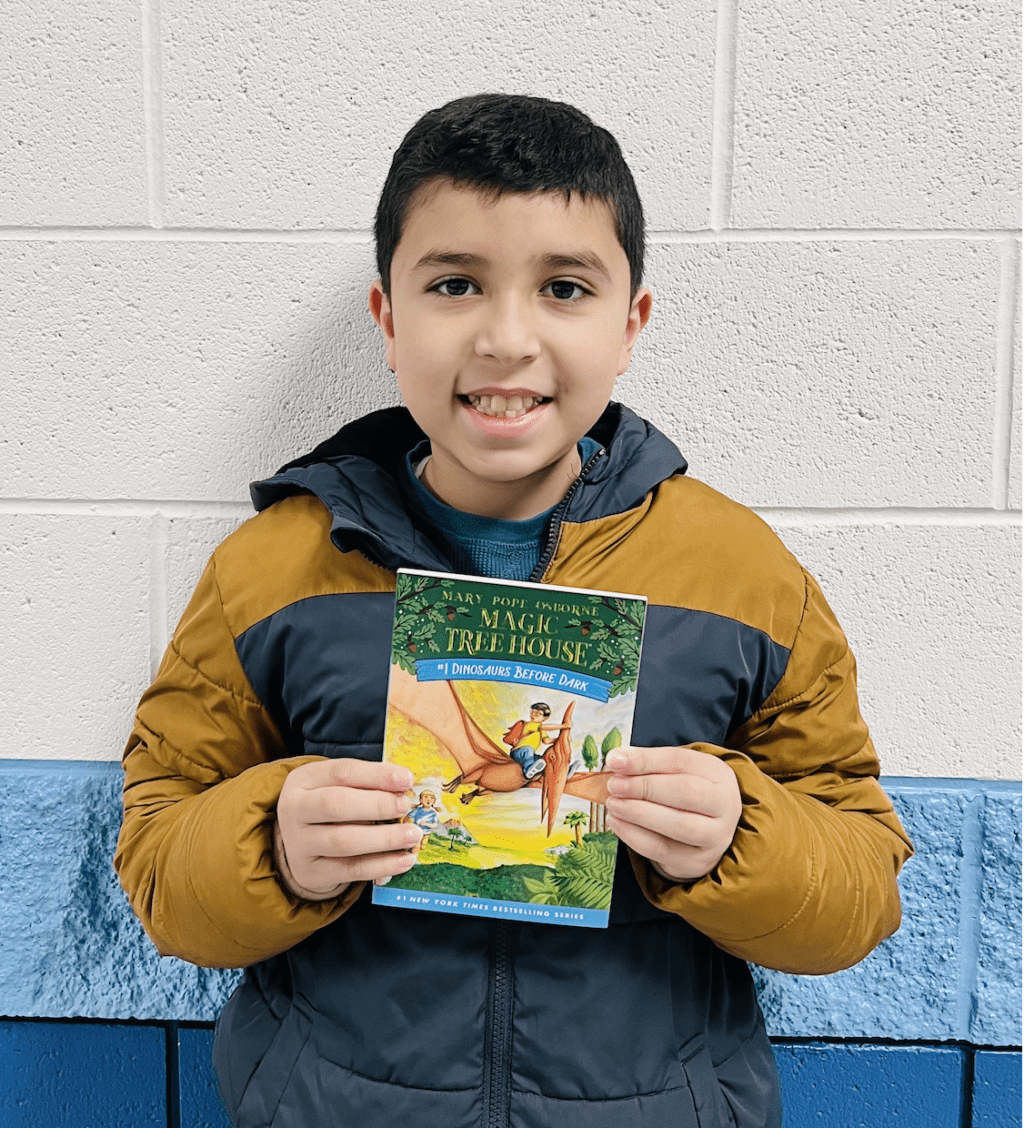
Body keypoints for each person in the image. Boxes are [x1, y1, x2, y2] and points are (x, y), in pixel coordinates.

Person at [115, 94, 913, 1128]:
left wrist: (740, 836)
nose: (505, 338)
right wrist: (268, 841)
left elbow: (859, 891)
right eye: (454, 284)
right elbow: (157, 854)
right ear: (388, 318)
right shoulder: (273, 570)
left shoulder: (741, 576)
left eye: (563, 288)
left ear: (629, 325)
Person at [505, 702, 571, 779]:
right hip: (519, 752)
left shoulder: (540, 730)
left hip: (530, 755)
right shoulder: (530, 724)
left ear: (545, 718)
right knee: (528, 750)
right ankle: (528, 770)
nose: (533, 715)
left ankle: (563, 771)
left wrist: (561, 739)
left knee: (544, 760)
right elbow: (544, 727)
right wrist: (563, 726)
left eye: (537, 713)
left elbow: (546, 741)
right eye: (532, 712)